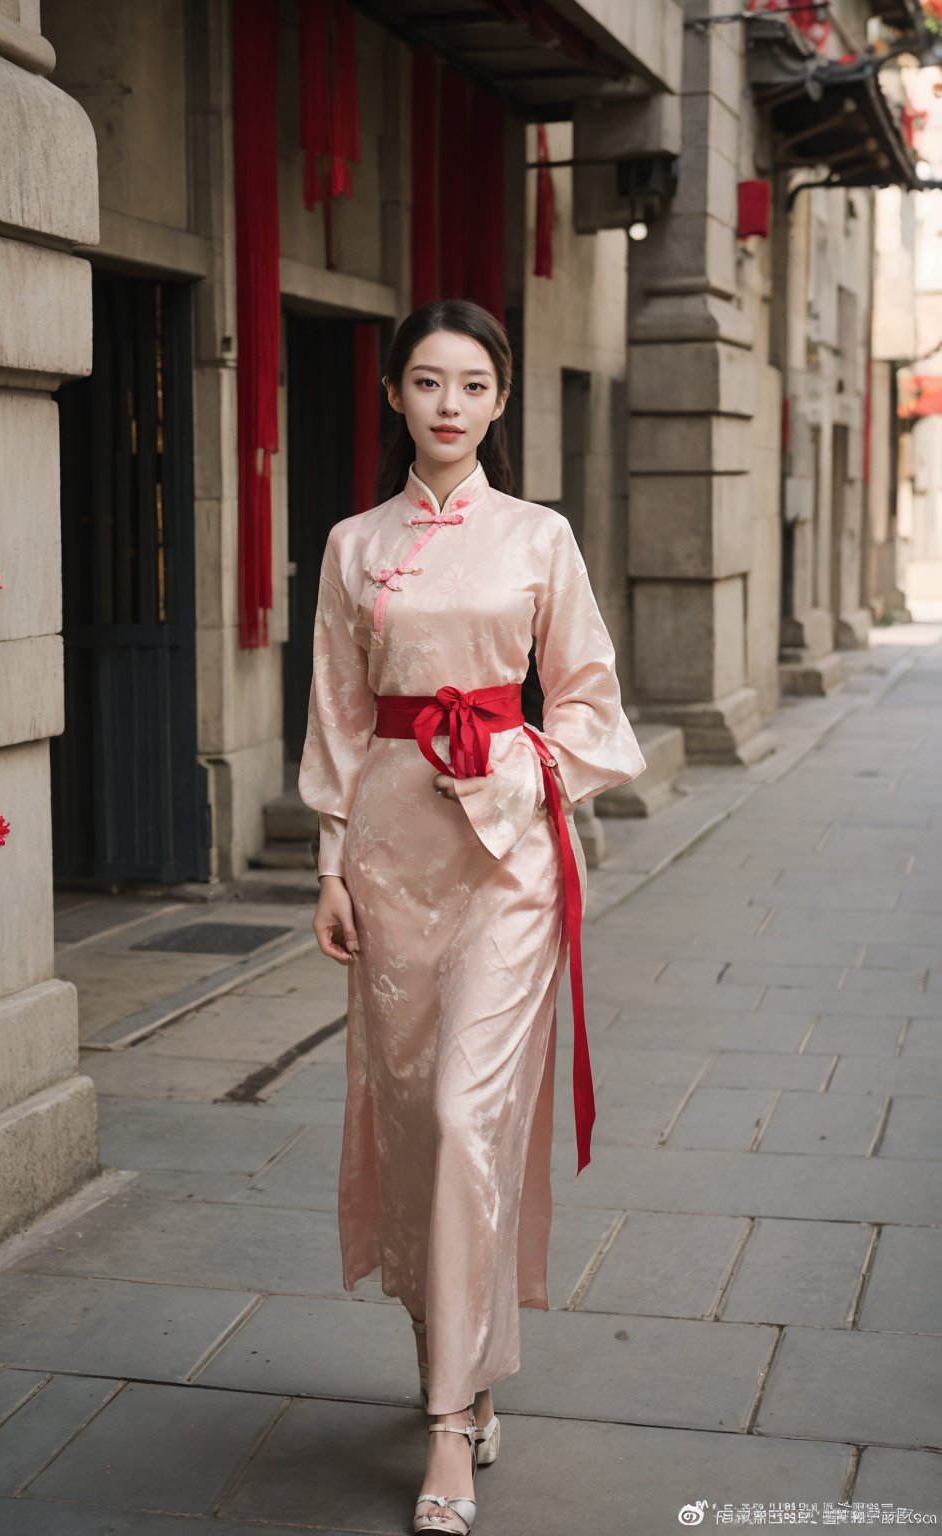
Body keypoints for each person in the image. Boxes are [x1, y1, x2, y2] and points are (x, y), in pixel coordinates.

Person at [297, 298, 646, 1534]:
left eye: (473, 385)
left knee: (464, 1113)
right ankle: (452, 1353)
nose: (449, 404)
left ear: (500, 402)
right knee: (411, 1120)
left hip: (510, 853)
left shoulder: (539, 538)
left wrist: (520, 762)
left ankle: (448, 1427)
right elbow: (338, 716)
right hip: (392, 851)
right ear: (393, 395)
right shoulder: (351, 546)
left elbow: (599, 711)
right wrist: (329, 863)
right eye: (426, 383)